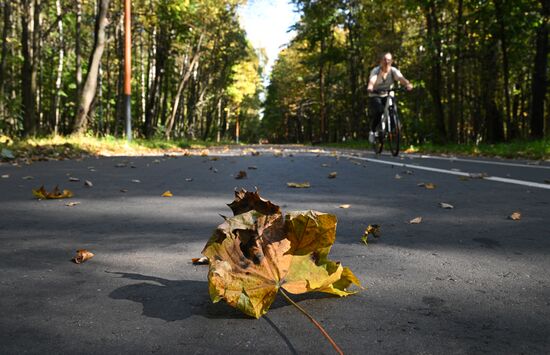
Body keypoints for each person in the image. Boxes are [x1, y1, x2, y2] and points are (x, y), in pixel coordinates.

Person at [367, 52, 413, 143]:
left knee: (392, 109)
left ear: (391, 61)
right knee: (379, 111)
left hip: (388, 94)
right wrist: (370, 87)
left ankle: (394, 128)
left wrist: (408, 84)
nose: (386, 62)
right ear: (381, 61)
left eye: (388, 60)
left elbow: (401, 78)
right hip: (376, 94)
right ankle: (372, 131)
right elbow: (372, 80)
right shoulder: (376, 71)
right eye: (384, 59)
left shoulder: (393, 70)